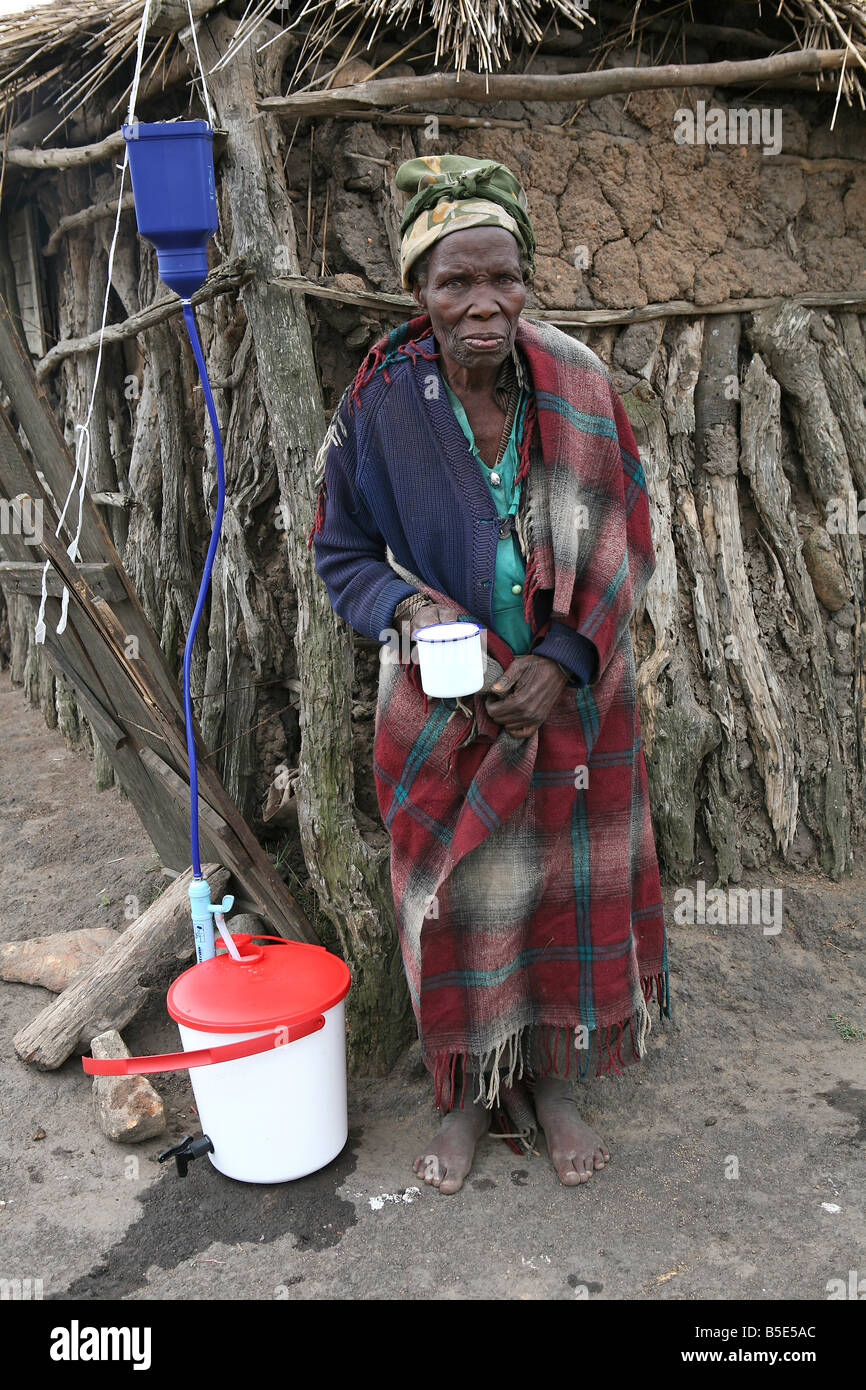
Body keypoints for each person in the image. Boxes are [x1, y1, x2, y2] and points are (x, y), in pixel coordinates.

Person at [309, 154, 669, 1194]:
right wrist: (411, 609)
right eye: (453, 282)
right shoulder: (379, 406)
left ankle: (554, 1083)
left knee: (566, 888)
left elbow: (626, 534)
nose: (482, 304)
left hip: (575, 700)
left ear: (524, 279)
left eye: (500, 278)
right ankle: (464, 1092)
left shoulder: (579, 385)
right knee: (456, 895)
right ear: (416, 292)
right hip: (445, 709)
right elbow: (340, 556)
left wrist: (560, 659)